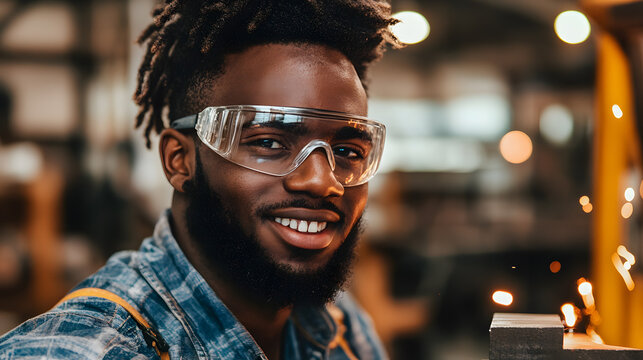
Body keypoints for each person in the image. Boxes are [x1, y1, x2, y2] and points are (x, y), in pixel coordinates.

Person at [0, 0, 398, 358]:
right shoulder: (92, 349)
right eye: (269, 143)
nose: (322, 181)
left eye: (347, 152)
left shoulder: (336, 327)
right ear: (180, 160)